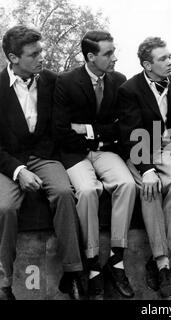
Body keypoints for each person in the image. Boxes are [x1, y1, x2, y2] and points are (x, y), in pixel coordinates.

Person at [0, 25, 84, 300]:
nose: (41, 57)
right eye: (33, 54)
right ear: (13, 58)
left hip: (45, 156)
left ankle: (72, 273)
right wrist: (18, 171)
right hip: (9, 162)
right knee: (5, 208)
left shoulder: (51, 80)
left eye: (41, 51)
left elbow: (58, 128)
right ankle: (4, 283)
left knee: (63, 193)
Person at [53, 30, 136, 300]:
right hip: (74, 154)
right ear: (90, 56)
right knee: (88, 191)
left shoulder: (119, 81)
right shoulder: (65, 82)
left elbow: (121, 128)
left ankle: (116, 258)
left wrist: (88, 130)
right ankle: (91, 265)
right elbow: (62, 131)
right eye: (108, 53)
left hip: (105, 152)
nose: (114, 57)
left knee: (126, 184)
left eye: (113, 51)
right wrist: (101, 132)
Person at [117, 37, 171, 298]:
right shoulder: (129, 90)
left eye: (170, 56)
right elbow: (130, 135)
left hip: (167, 150)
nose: (170, 61)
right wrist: (146, 170)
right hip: (139, 151)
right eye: (163, 59)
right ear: (148, 65)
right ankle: (163, 263)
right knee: (151, 190)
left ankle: (159, 256)